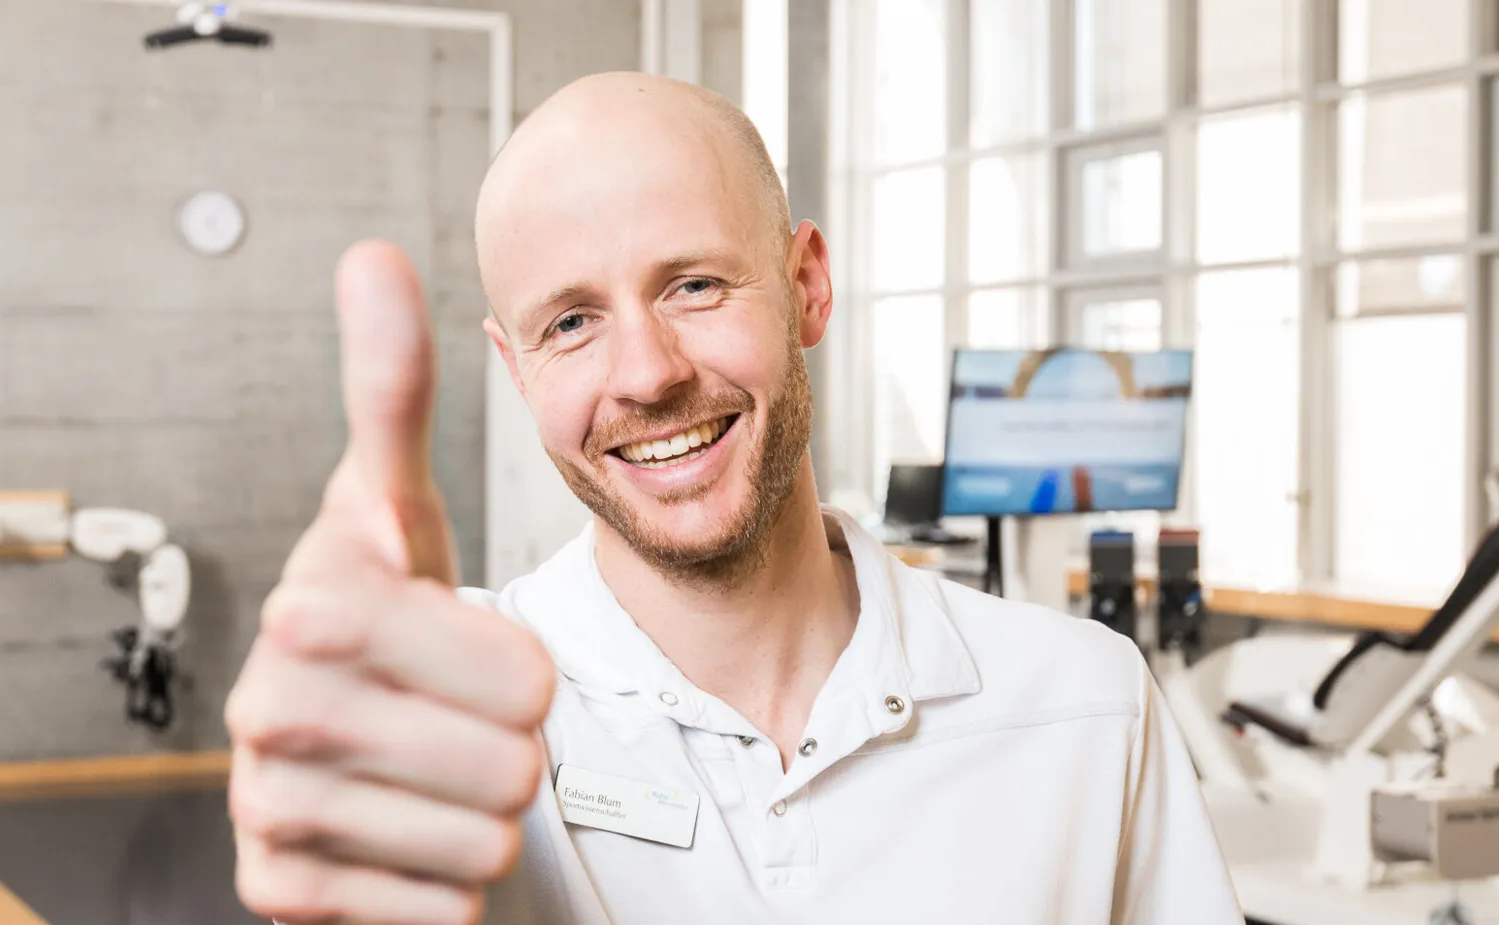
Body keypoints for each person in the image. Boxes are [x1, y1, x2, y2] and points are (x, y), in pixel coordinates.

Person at [223, 72, 1241, 925]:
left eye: (694, 286)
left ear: (806, 284)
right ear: (515, 366)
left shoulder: (1085, 704)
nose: (646, 375)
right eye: (572, 322)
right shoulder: (450, 721)